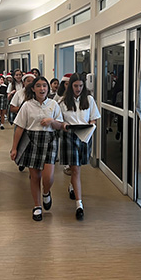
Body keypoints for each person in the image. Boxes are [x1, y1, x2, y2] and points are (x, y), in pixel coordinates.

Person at [9, 76, 66, 221]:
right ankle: (37, 206)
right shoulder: (27, 105)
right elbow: (20, 128)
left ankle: (46, 192)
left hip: (50, 139)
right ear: (33, 89)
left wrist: (52, 121)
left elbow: (60, 125)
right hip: (32, 139)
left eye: (45, 86)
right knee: (35, 176)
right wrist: (14, 148)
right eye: (39, 86)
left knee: (48, 176)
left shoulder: (53, 104)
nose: (42, 89)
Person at [59, 73, 101, 220]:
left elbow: (94, 118)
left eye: (81, 86)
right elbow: (59, 120)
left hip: (85, 136)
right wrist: (63, 125)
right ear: (70, 86)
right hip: (69, 136)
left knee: (77, 167)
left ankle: (72, 186)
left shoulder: (89, 100)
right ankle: (79, 205)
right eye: (75, 86)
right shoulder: (63, 102)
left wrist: (92, 125)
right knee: (75, 169)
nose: (78, 89)